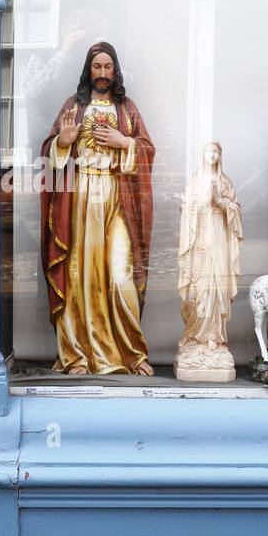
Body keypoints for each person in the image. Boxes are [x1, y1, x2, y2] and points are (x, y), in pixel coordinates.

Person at [39, 41, 155, 375]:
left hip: (116, 193)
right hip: (80, 194)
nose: (102, 73)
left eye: (108, 67)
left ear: (115, 71)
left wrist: (125, 142)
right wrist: (62, 142)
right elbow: (49, 150)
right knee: (79, 273)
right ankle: (77, 355)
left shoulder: (127, 109)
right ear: (88, 70)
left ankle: (132, 352)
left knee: (121, 274)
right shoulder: (73, 106)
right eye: (96, 66)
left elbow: (147, 150)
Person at [176, 141, 243, 379]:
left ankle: (215, 337)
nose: (212, 154)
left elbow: (236, 209)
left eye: (216, 151)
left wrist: (219, 202)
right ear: (202, 154)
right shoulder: (195, 180)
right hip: (200, 235)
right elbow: (185, 206)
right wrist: (197, 205)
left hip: (219, 235)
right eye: (208, 151)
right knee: (201, 285)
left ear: (220, 155)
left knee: (218, 286)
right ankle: (196, 336)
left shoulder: (225, 182)